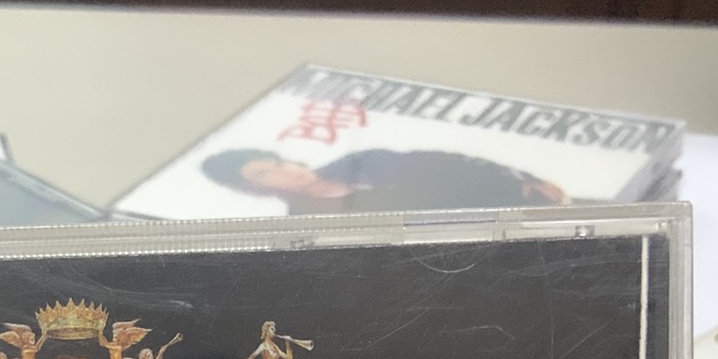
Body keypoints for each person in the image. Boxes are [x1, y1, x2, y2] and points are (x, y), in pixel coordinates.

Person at [199, 145, 567, 213]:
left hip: (528, 199)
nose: (284, 170)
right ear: (255, 188)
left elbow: (449, 164)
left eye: (275, 161)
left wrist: (524, 179)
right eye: (264, 174)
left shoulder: (363, 160)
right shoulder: (306, 218)